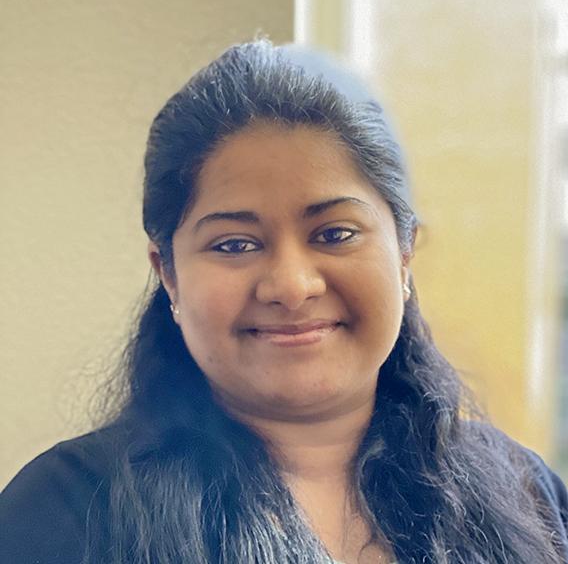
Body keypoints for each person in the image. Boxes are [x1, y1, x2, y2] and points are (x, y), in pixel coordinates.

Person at [1, 39, 567, 564]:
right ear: (168, 273)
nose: (293, 287)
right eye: (235, 244)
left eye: (335, 234)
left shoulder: (528, 495)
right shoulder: (62, 514)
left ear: (404, 253)